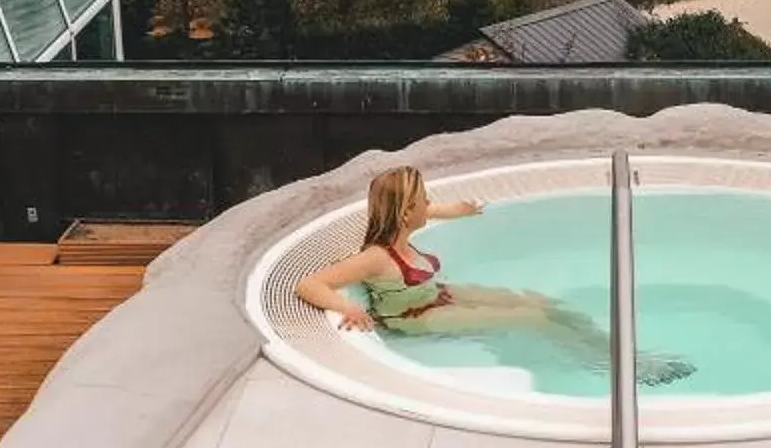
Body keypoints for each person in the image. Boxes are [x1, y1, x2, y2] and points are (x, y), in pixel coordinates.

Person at [297, 165, 693, 385]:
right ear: (405, 213)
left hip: (436, 296)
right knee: (530, 319)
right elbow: (309, 283)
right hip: (415, 318)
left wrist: (459, 210)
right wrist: (346, 305)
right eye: (425, 200)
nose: (431, 205)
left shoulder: (406, 225)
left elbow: (433, 212)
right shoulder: (375, 258)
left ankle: (622, 353)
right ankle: (624, 371)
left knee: (542, 303)